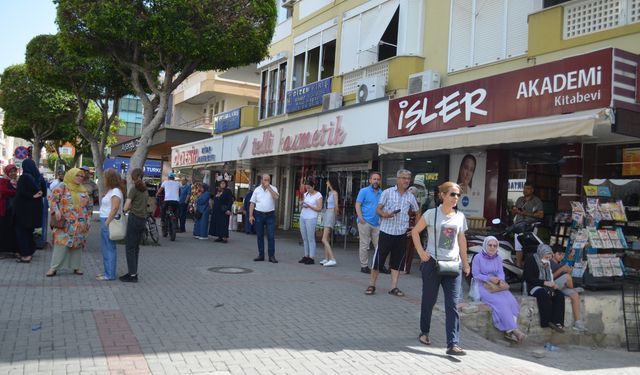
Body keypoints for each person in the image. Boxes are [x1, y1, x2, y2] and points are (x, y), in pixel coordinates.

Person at [410, 181, 470, 356]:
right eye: (452, 194)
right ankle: (424, 332)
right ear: (442, 195)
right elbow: (415, 232)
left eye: (458, 195)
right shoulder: (431, 214)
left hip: (453, 265)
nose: (456, 198)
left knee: (452, 305)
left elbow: (462, 241)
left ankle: (453, 343)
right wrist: (421, 252)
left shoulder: (460, 217)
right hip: (433, 263)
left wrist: (465, 263)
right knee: (429, 301)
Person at [365, 169, 419, 297]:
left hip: (401, 233)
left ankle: (394, 287)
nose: (406, 181)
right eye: (404, 178)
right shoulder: (387, 193)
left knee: (397, 262)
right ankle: (372, 285)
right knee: (378, 260)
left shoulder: (410, 196)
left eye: (408, 178)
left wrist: (415, 228)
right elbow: (378, 209)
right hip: (386, 231)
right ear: (397, 179)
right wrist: (385, 214)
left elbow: (417, 212)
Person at [472, 236, 526, 343]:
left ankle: (509, 331)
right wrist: (489, 278)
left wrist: (501, 280)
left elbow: (501, 272)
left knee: (511, 301)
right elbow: (476, 274)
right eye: (490, 245)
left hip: (497, 286)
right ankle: (513, 330)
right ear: (485, 245)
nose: (492, 248)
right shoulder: (478, 257)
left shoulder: (498, 258)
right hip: (483, 286)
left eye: (495, 245)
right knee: (501, 303)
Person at [45, 168, 92, 277]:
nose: (80, 178)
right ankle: (54, 268)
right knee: (60, 244)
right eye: (77, 175)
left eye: (81, 176)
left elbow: (89, 206)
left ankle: (76, 267)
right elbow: (52, 199)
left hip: (80, 223)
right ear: (71, 175)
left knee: (77, 245)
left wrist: (88, 218)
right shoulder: (62, 186)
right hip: (65, 222)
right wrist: (56, 210)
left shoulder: (83, 190)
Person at [523, 244, 566, 333]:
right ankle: (546, 322)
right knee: (542, 294)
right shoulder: (531, 260)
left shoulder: (547, 262)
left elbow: (549, 277)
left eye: (549, 256)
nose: (548, 258)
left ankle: (557, 322)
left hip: (546, 285)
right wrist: (544, 283)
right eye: (546, 256)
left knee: (559, 294)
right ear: (541, 253)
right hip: (532, 285)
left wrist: (553, 284)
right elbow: (528, 278)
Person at [120, 168, 148, 283]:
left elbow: (126, 207)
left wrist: (124, 210)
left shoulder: (134, 189)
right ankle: (133, 272)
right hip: (142, 220)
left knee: (130, 248)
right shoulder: (145, 189)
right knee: (136, 248)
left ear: (133, 177)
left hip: (134, 219)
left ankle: (132, 275)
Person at [13, 158, 44, 263]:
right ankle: (30, 250)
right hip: (35, 210)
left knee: (21, 232)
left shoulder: (24, 178)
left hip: (23, 210)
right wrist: (36, 196)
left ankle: (26, 255)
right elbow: (43, 192)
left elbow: (21, 193)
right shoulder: (40, 178)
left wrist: (31, 196)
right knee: (29, 231)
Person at [551, 246, 587, 332]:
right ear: (553, 254)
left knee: (574, 295)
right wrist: (561, 270)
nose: (561, 256)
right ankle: (573, 288)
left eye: (563, 255)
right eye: (559, 254)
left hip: (562, 286)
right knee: (567, 277)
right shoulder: (549, 262)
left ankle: (578, 322)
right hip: (552, 285)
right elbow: (550, 277)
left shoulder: (561, 263)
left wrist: (568, 271)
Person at [97, 169, 124, 281]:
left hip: (109, 221)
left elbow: (115, 208)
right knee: (106, 248)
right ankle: (107, 272)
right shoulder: (111, 191)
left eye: (105, 177)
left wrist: (107, 222)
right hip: (106, 219)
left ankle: (110, 274)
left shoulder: (116, 191)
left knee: (109, 248)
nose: (103, 180)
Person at [511, 182, 544, 266]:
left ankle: (529, 265)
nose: (525, 190)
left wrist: (526, 213)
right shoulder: (519, 199)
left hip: (530, 227)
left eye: (528, 188)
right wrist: (515, 211)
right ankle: (518, 265)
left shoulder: (537, 201)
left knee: (530, 247)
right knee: (518, 247)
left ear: (532, 190)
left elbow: (541, 214)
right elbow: (513, 213)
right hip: (518, 226)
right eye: (524, 188)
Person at [355, 171, 382, 274]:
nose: (376, 181)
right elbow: (358, 204)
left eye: (378, 179)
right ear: (370, 180)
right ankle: (364, 266)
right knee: (364, 245)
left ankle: (378, 265)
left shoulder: (382, 193)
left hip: (377, 223)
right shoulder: (364, 191)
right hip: (364, 222)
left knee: (379, 246)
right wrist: (360, 217)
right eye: (374, 179)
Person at [249, 174, 279, 263]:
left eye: (268, 180)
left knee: (271, 236)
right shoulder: (257, 190)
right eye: (265, 179)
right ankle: (261, 255)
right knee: (260, 235)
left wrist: (269, 188)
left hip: (270, 215)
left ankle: (271, 256)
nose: (266, 181)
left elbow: (276, 197)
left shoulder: (273, 188)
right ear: (261, 180)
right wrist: (251, 215)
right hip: (258, 214)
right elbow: (252, 203)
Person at [298, 178, 323, 265]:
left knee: (310, 238)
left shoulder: (318, 195)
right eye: (307, 188)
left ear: (313, 186)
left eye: (309, 188)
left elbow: (319, 208)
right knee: (304, 238)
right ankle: (306, 255)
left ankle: (311, 257)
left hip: (311, 218)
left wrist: (309, 206)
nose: (308, 189)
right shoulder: (306, 194)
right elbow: (305, 204)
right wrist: (302, 204)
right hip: (303, 216)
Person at [0, 164, 19, 257]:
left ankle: (11, 250)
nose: (13, 173)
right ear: (7, 172)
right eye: (11, 172)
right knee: (3, 230)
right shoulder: (3, 181)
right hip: (5, 210)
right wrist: (15, 192)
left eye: (14, 171)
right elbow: (3, 191)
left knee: (11, 230)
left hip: (14, 210)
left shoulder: (17, 181)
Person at [320, 177, 339, 267]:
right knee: (326, 238)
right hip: (327, 213)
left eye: (328, 181)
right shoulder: (330, 193)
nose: (326, 183)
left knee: (324, 239)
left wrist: (335, 218)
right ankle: (326, 258)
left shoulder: (334, 193)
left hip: (331, 214)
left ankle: (332, 258)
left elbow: (336, 206)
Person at [156, 172, 180, 237]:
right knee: (176, 212)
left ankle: (163, 221)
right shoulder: (178, 183)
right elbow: (179, 191)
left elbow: (160, 190)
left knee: (163, 210)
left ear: (168, 177)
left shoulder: (165, 182)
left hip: (167, 200)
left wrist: (156, 194)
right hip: (176, 201)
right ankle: (176, 223)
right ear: (174, 178)